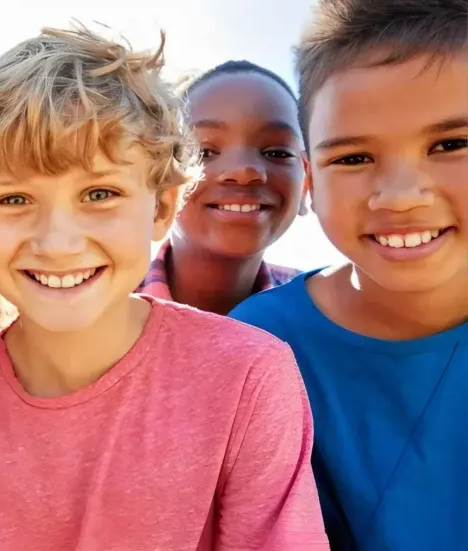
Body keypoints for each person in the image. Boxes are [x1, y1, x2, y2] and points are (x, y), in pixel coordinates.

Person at [0, 24, 328, 550]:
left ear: (161, 206)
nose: (58, 242)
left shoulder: (250, 375)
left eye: (100, 193)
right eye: (14, 200)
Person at [229, 0, 467, 548]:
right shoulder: (258, 350)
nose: (402, 196)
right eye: (354, 158)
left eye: (451, 145)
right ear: (309, 181)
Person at [136, 60, 305, 313]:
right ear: (160, 180)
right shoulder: (95, 314)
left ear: (307, 181)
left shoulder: (329, 319)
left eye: (277, 152)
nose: (244, 171)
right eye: (204, 152)